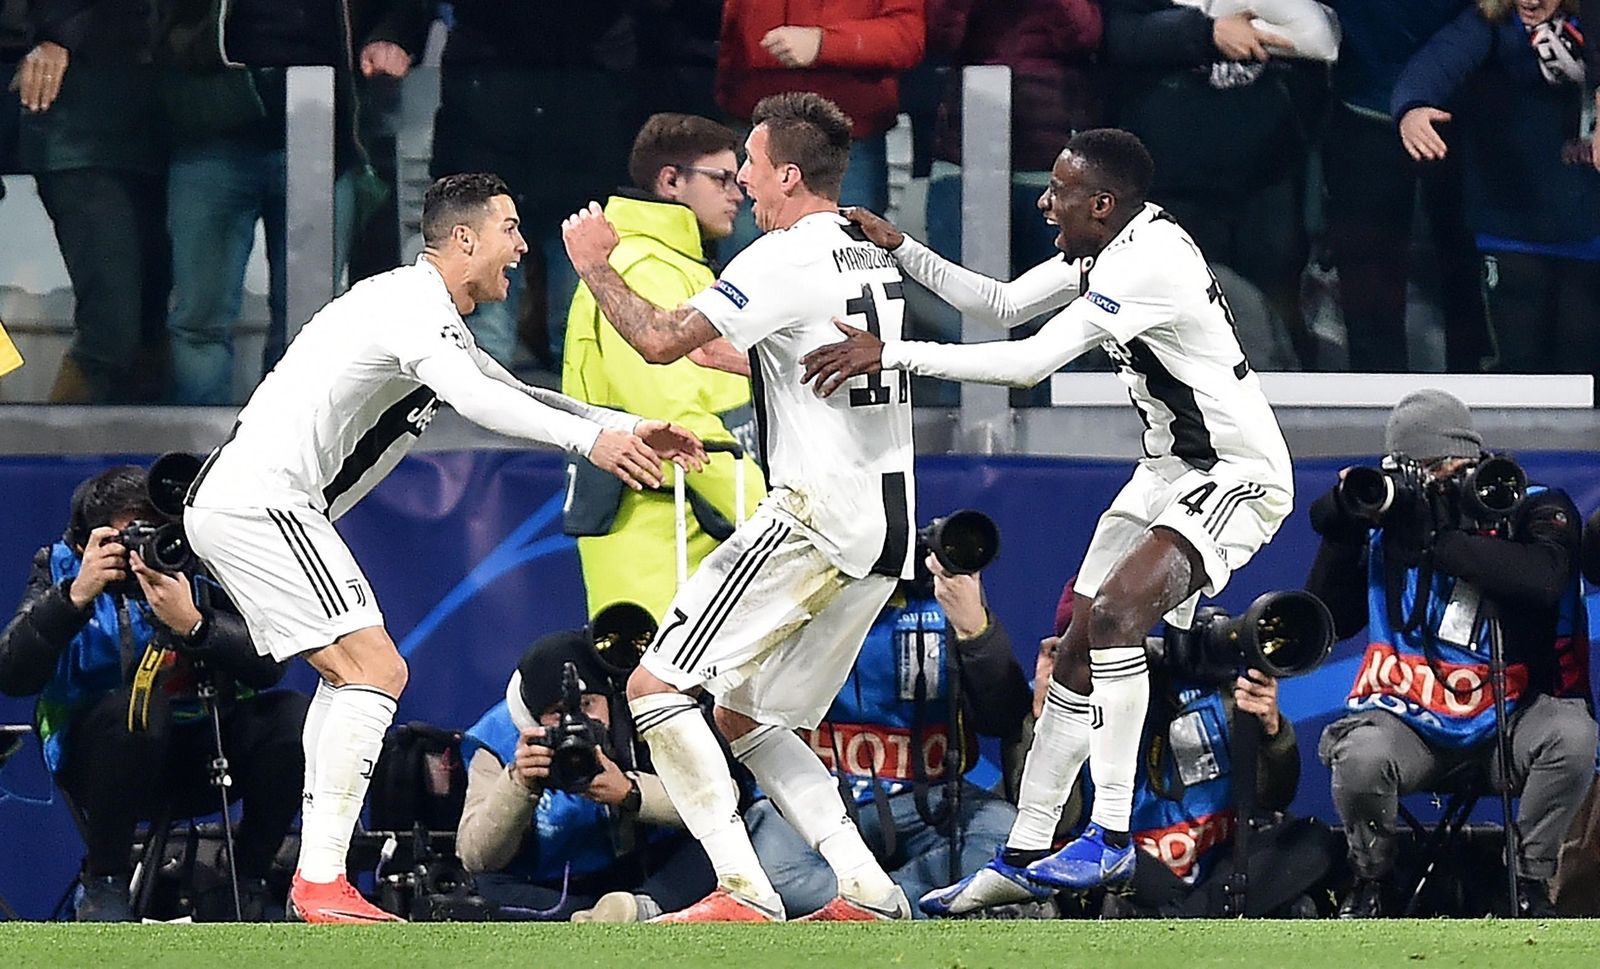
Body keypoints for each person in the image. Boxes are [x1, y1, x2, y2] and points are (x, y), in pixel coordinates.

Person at [180, 172, 706, 924]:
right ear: (464, 239)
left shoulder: (425, 315)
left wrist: (621, 420)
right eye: (510, 229)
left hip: (251, 503)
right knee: (377, 668)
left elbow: (505, 384)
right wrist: (596, 441)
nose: (521, 249)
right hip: (262, 502)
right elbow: (482, 401)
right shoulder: (409, 306)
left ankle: (317, 881)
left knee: (350, 677)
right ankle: (322, 882)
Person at [800, 128, 1294, 912]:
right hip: (1165, 473)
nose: (1043, 200)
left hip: (1237, 473)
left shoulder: (1150, 261)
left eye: (1059, 190)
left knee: (1121, 617)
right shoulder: (1109, 247)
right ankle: (1028, 849)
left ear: (1102, 203)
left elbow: (1028, 362)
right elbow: (999, 305)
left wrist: (892, 353)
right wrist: (905, 250)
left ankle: (1108, 836)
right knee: (1073, 652)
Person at [560, 92, 919, 922]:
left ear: (788, 175)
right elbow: (768, 357)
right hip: (887, 525)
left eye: (751, 166)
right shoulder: (868, 253)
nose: (745, 182)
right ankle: (868, 890)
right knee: (744, 711)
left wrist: (593, 265)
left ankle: (740, 889)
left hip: (814, 516)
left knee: (653, 683)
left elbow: (656, 339)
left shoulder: (779, 255)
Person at [1307, 389, 1597, 918]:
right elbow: (1328, 619)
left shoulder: (1530, 504)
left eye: (1443, 467)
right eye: (1415, 469)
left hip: (1509, 724)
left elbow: (1545, 581)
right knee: (1361, 756)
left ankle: (1527, 883)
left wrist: (1441, 544)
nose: (1431, 481)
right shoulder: (1384, 517)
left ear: (1474, 460)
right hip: (1407, 723)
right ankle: (1371, 877)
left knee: (1572, 736)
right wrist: (1346, 530)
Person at [0, 466, 307, 921]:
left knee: (296, 718)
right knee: (137, 711)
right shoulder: (61, 566)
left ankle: (247, 878)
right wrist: (74, 597)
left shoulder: (196, 564)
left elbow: (269, 665)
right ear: (85, 544)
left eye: (154, 531)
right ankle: (104, 882)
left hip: (206, 754)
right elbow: (12, 674)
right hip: (102, 760)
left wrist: (197, 625)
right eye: (127, 537)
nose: (143, 549)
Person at [562, 113, 766, 621]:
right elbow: (679, 420)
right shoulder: (645, 270)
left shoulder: (667, 264)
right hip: (661, 538)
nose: (737, 193)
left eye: (738, 179)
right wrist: (770, 520)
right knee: (660, 698)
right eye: (720, 179)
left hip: (688, 526)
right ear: (671, 181)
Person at [761, 550, 1030, 916]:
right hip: (805, 795)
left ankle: (872, 911)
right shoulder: (790, 580)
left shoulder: (942, 593)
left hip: (929, 803)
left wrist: (975, 633)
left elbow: (1001, 720)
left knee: (1008, 840)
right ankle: (918, 910)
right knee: (776, 880)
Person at [1393, 0, 1600, 383]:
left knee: (1583, 364)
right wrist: (1412, 107)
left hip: (1589, 230)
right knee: (1519, 369)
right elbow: (1434, 65)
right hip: (1510, 227)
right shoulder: (1487, 24)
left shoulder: (1590, 22)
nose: (1531, 0)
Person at [16, 0, 169, 404]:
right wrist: (55, 32)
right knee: (111, 332)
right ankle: (57, 455)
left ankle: (132, 459)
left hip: (166, 131)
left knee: (153, 332)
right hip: (81, 138)